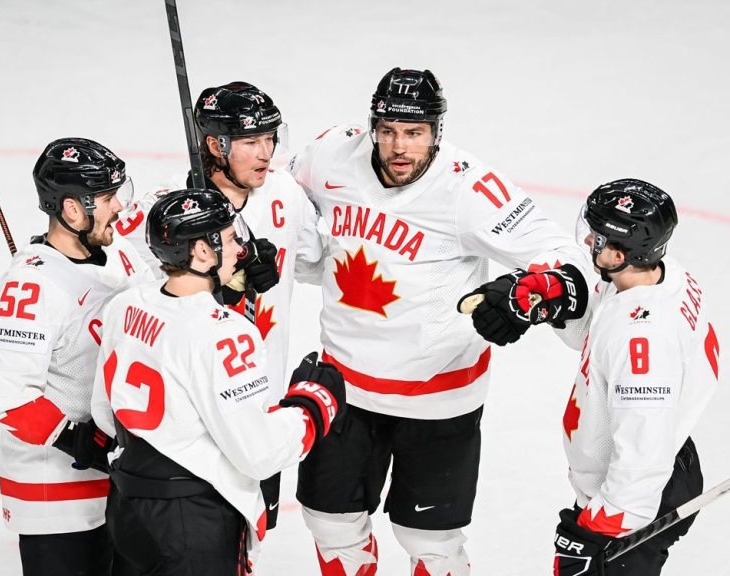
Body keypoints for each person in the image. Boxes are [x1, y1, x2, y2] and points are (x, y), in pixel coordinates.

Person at [287, 67, 592, 576]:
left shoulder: (469, 189)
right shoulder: (327, 155)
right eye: (387, 132)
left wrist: (528, 294)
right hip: (342, 385)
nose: (399, 147)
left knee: (430, 542)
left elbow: (558, 252)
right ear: (372, 126)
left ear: (436, 131)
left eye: (414, 133)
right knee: (331, 526)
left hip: (437, 395)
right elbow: (277, 197)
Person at [89, 188, 345, 575]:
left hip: (127, 503)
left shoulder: (126, 304)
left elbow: (105, 413)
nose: (241, 248)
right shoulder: (226, 334)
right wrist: (310, 407)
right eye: (229, 239)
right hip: (190, 521)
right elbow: (259, 452)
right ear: (202, 252)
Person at [474, 179, 717, 575]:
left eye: (598, 238)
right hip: (653, 470)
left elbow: (643, 453)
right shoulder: (656, 277)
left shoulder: (642, 340)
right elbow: (598, 336)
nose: (588, 242)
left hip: (637, 499)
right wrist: (560, 300)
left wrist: (597, 531)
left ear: (621, 252)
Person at [116, 80, 323, 532]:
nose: (266, 152)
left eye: (270, 137)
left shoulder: (285, 192)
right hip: (185, 425)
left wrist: (260, 265)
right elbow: (131, 290)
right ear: (215, 144)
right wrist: (226, 278)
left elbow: (315, 263)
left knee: (248, 540)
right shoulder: (168, 206)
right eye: (251, 141)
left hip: (256, 404)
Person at [0, 138, 154, 576]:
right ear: (72, 209)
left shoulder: (123, 257)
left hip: (118, 481)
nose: (120, 207)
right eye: (110, 198)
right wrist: (73, 437)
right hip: (53, 493)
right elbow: (5, 396)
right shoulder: (30, 286)